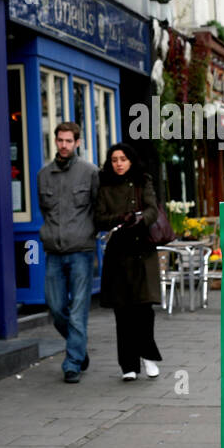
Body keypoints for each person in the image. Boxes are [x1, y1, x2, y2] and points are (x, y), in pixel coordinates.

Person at [93, 142, 164, 381]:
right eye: (114, 159)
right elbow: (99, 218)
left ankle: (148, 355)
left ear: (130, 160)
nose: (119, 163)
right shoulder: (105, 185)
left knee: (144, 308)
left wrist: (139, 219)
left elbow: (153, 209)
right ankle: (128, 365)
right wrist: (119, 218)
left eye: (123, 159)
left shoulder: (143, 180)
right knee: (122, 311)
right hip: (118, 253)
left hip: (142, 250)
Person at [38, 121, 100, 383]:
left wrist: (88, 233)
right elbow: (44, 209)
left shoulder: (90, 172)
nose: (63, 145)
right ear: (55, 142)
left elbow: (98, 207)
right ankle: (80, 347)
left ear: (77, 143)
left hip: (81, 250)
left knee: (77, 310)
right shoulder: (43, 175)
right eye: (59, 140)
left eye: (68, 141)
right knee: (55, 306)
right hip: (54, 250)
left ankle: (72, 362)